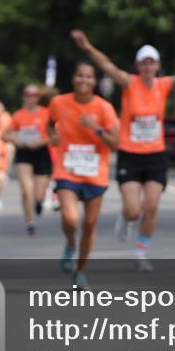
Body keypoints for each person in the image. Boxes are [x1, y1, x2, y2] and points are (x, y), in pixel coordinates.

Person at [71, 29, 175, 272]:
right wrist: (87, 47)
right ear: (138, 66)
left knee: (150, 207)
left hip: (155, 156)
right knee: (133, 211)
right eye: (144, 62)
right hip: (130, 154)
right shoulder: (129, 83)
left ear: (158, 66)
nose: (148, 66)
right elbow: (107, 65)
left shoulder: (164, 85)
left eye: (152, 62)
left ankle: (141, 252)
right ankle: (126, 217)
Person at [48, 61, 119, 290]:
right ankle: (70, 243)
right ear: (73, 78)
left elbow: (115, 143)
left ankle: (80, 271)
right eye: (80, 75)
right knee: (71, 219)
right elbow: (49, 123)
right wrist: (52, 136)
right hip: (67, 170)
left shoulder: (104, 108)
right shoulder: (59, 102)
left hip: (95, 173)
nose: (84, 80)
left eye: (88, 76)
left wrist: (95, 128)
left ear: (94, 81)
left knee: (89, 225)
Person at [4, 84, 53, 235]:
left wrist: (41, 142)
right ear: (24, 96)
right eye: (28, 94)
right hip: (24, 153)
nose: (31, 98)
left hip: (41, 152)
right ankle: (30, 222)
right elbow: (5, 134)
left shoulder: (47, 113)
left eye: (34, 95)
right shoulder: (18, 115)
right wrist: (16, 140)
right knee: (26, 190)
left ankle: (39, 202)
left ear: (39, 97)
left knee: (38, 194)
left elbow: (56, 135)